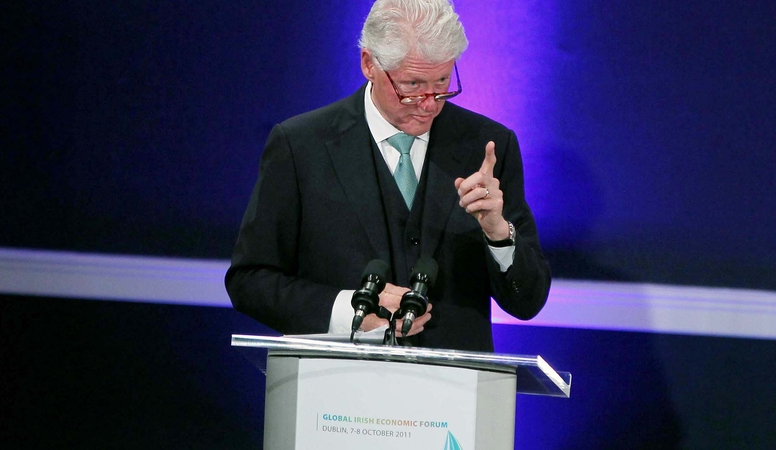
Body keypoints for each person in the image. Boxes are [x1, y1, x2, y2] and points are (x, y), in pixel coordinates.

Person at [225, 0, 550, 352]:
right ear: (369, 64)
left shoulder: (488, 147)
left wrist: (498, 233)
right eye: (412, 84)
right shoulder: (301, 146)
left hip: (454, 394)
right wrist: (346, 310)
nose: (429, 103)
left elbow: (527, 301)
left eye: (442, 81)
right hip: (335, 390)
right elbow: (250, 281)